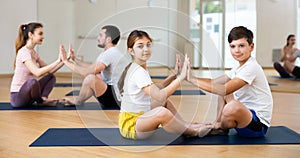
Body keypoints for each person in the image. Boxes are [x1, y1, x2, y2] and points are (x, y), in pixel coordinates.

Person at [117, 30, 213, 140]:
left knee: (164, 102)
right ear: (131, 51)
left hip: (139, 117)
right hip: (131, 126)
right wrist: (181, 77)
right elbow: (159, 95)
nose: (146, 49)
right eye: (140, 46)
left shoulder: (137, 67)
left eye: (148, 45)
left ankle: (186, 125)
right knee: (161, 112)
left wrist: (173, 75)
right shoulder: (138, 71)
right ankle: (191, 131)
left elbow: (156, 89)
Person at [187, 26, 273, 137]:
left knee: (231, 105)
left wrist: (192, 80)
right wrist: (190, 77)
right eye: (233, 46)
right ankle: (219, 126)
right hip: (243, 118)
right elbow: (214, 82)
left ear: (251, 47)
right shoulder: (238, 68)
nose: (236, 50)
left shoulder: (252, 67)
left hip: (257, 126)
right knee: (226, 95)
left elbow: (224, 89)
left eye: (241, 46)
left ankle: (216, 126)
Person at [60, 25, 129, 108]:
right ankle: (79, 100)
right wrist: (75, 59)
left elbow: (86, 72)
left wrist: (65, 62)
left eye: (100, 35)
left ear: (108, 39)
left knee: (90, 78)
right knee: (97, 75)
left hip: (118, 99)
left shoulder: (110, 53)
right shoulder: (109, 52)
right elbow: (91, 67)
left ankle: (78, 101)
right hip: (115, 94)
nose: (98, 38)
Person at [10, 22, 64, 107]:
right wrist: (57, 61)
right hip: (17, 98)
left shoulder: (34, 53)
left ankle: (43, 98)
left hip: (29, 95)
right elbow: (37, 72)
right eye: (40, 34)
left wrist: (64, 60)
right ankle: (41, 101)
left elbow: (50, 70)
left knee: (51, 76)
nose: (43, 37)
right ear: (30, 35)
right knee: (32, 81)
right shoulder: (24, 52)